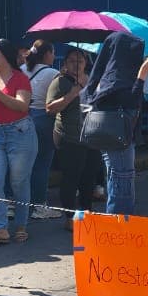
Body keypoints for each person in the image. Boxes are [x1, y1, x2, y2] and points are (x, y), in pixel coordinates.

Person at [82, 31, 148, 215]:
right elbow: (130, 103)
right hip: (119, 139)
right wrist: (141, 76)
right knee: (121, 183)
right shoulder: (115, 78)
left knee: (118, 181)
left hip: (120, 137)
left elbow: (138, 105)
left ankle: (118, 222)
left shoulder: (116, 75)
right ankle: (119, 225)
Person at [0, 38, 38, 248]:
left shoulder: (20, 78)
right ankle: (1, 228)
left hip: (19, 132)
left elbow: (22, 106)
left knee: (18, 182)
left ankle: (21, 225)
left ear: (6, 54)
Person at [45, 47, 102, 219]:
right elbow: (50, 109)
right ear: (65, 63)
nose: (76, 64)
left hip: (92, 135)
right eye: (72, 61)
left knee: (89, 177)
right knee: (71, 177)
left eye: (80, 61)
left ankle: (86, 212)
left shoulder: (91, 80)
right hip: (70, 137)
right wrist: (71, 94)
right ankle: (70, 216)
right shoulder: (60, 81)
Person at [21, 40, 62, 220]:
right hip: (43, 119)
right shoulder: (53, 73)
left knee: (21, 163)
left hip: (22, 118)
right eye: (53, 52)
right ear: (47, 54)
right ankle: (39, 205)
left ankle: (14, 204)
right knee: (42, 164)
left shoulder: (21, 69)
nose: (54, 56)